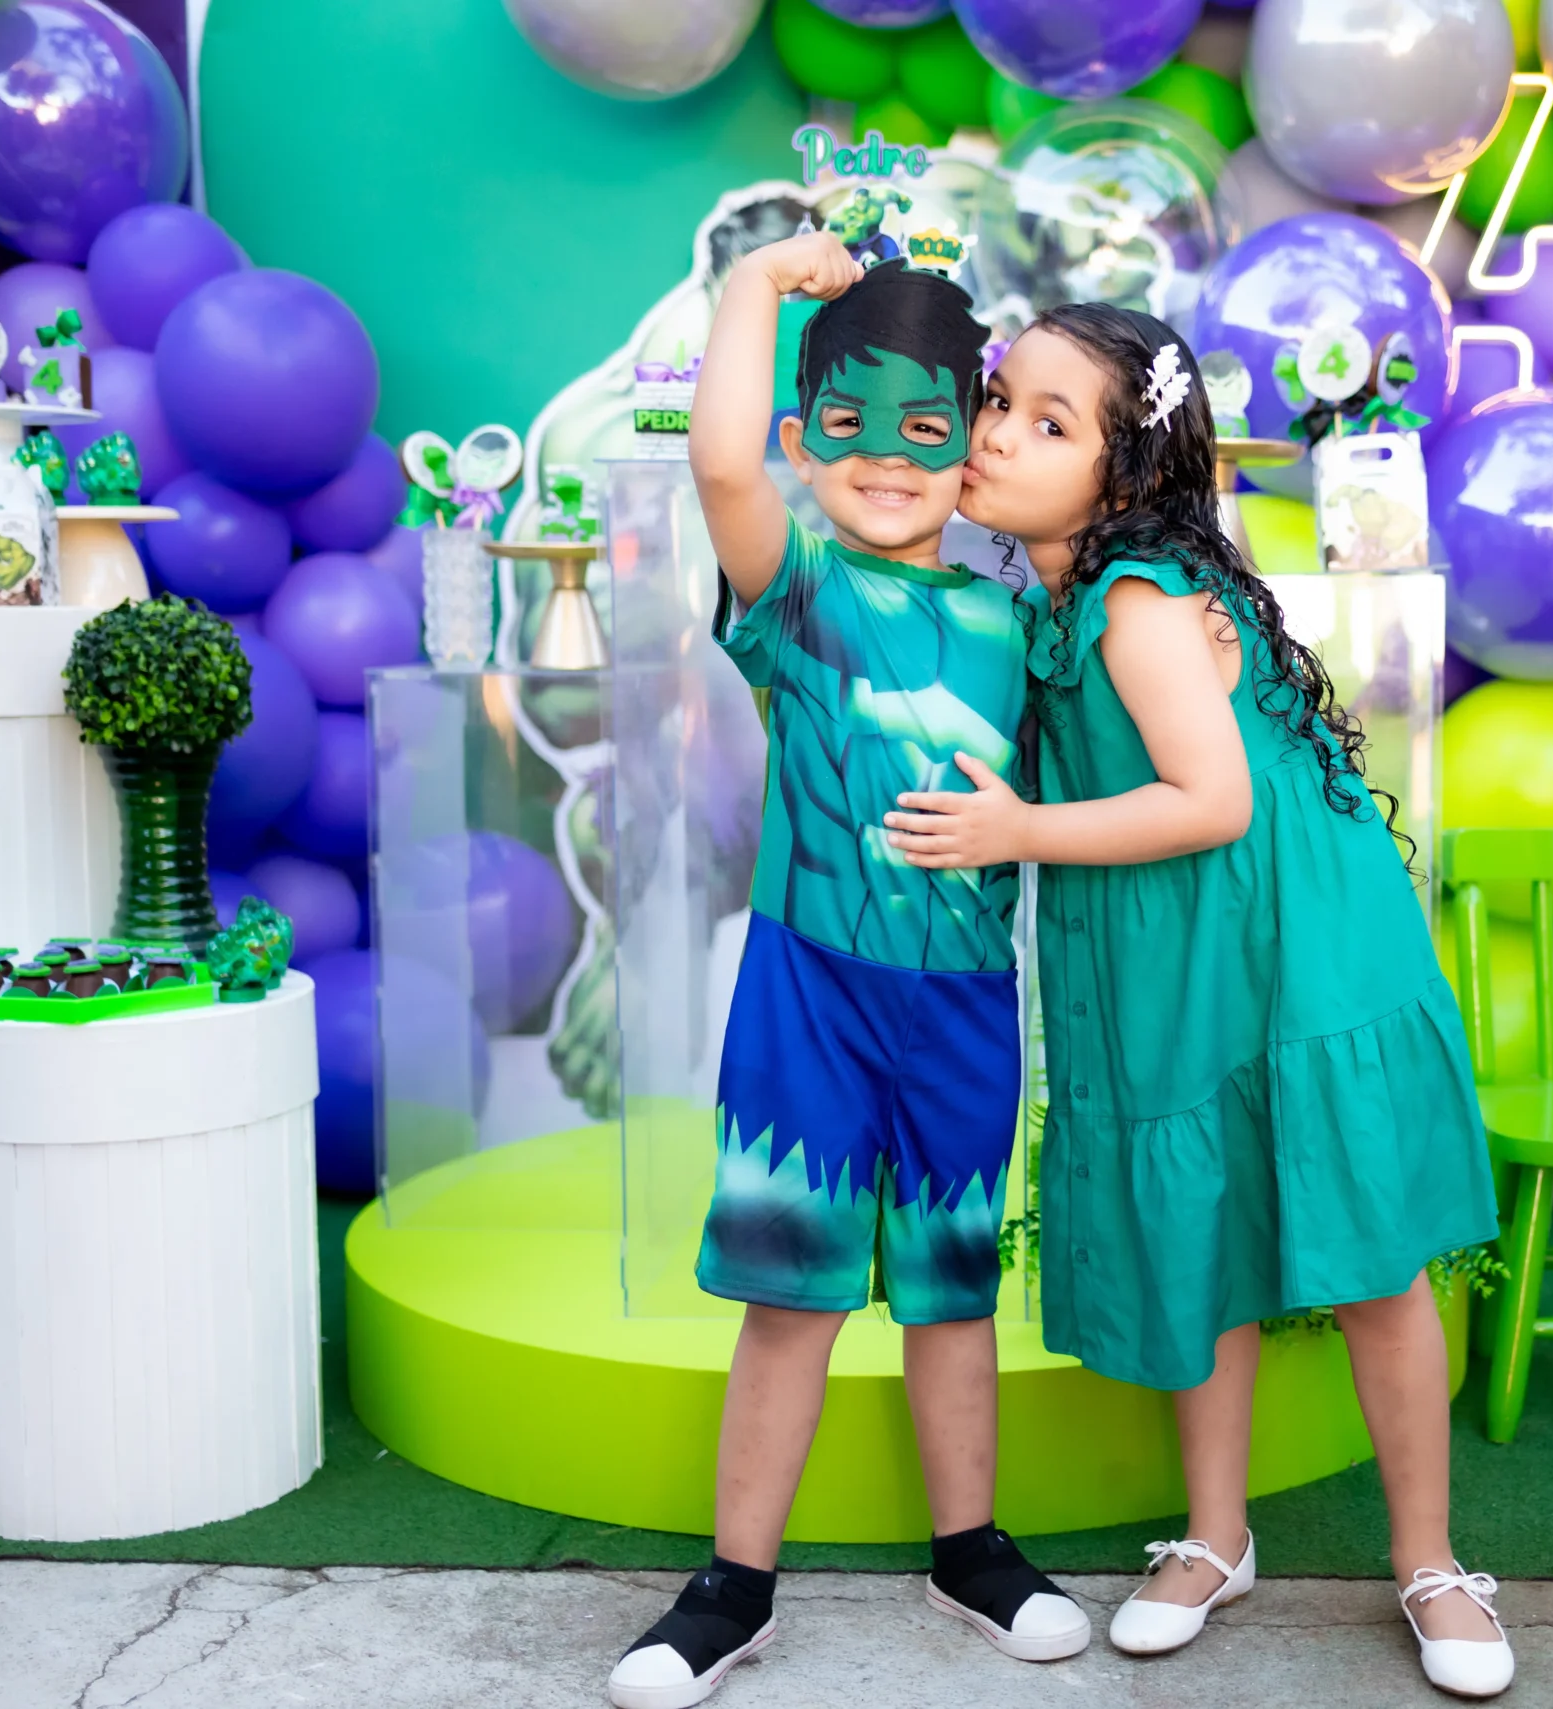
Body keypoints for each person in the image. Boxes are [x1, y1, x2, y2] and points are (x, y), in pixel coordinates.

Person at [883, 303, 1513, 1698]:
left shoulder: (1139, 601)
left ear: (1124, 476)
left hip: (1293, 950)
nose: (996, 433)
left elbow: (1214, 799)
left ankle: (1430, 1561)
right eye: (1000, 399)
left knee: (1372, 1264)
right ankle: (1217, 1540)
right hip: (1171, 948)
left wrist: (1017, 833)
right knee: (1201, 1227)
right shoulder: (1051, 598)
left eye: (1050, 422)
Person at [607, 234, 1088, 1709]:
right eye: (851, 426)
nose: (888, 457)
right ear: (807, 439)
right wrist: (755, 289)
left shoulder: (1023, 620)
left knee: (952, 1294)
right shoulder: (798, 592)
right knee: (790, 1299)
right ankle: (733, 1585)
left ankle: (970, 1552)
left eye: (927, 426)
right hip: (809, 997)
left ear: (967, 443)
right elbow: (721, 467)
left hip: (966, 1009)